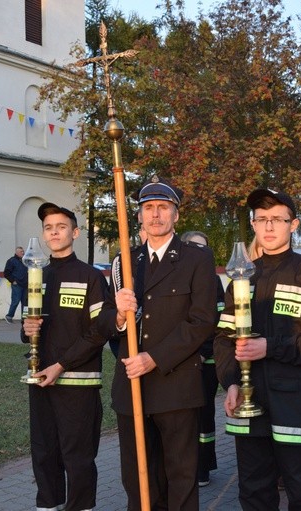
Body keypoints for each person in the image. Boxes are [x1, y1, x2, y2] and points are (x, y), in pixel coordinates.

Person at [98, 176, 218, 510]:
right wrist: (120, 316)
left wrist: (154, 357)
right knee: (137, 477)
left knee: (180, 475)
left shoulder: (197, 260)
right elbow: (106, 321)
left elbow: (202, 320)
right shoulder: (124, 261)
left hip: (176, 384)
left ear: (176, 215)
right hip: (132, 386)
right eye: (148, 208)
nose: (155, 215)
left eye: (163, 208)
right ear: (138, 216)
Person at [214, 189, 301, 511]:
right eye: (262, 219)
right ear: (253, 225)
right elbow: (225, 338)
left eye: (277, 220)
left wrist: (270, 346)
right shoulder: (242, 276)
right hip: (249, 402)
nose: (269, 227)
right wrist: (230, 381)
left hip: (296, 404)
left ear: (293, 224)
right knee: (254, 493)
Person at [21, 202, 108, 511]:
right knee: (44, 451)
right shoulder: (37, 276)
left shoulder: (91, 278)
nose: (54, 231)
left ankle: (81, 505)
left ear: (74, 232)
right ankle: (47, 504)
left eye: (60, 226)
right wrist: (26, 327)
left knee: (78, 454)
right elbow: (28, 332)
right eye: (48, 227)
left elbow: (99, 332)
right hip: (41, 379)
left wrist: (61, 365)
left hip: (78, 381)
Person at [179, 230, 226, 488]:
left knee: (205, 416)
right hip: (180, 361)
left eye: (204, 247)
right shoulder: (178, 276)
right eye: (195, 246)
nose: (201, 252)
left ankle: (203, 467)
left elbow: (217, 323)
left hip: (206, 362)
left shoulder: (215, 282)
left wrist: (204, 351)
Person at [3, 246, 27, 323]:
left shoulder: (25, 261)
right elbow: (6, 273)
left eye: (23, 251)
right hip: (17, 285)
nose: (23, 253)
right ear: (16, 253)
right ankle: (9, 316)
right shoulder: (11, 261)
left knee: (25, 302)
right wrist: (12, 281)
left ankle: (24, 318)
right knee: (15, 301)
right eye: (21, 252)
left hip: (26, 285)